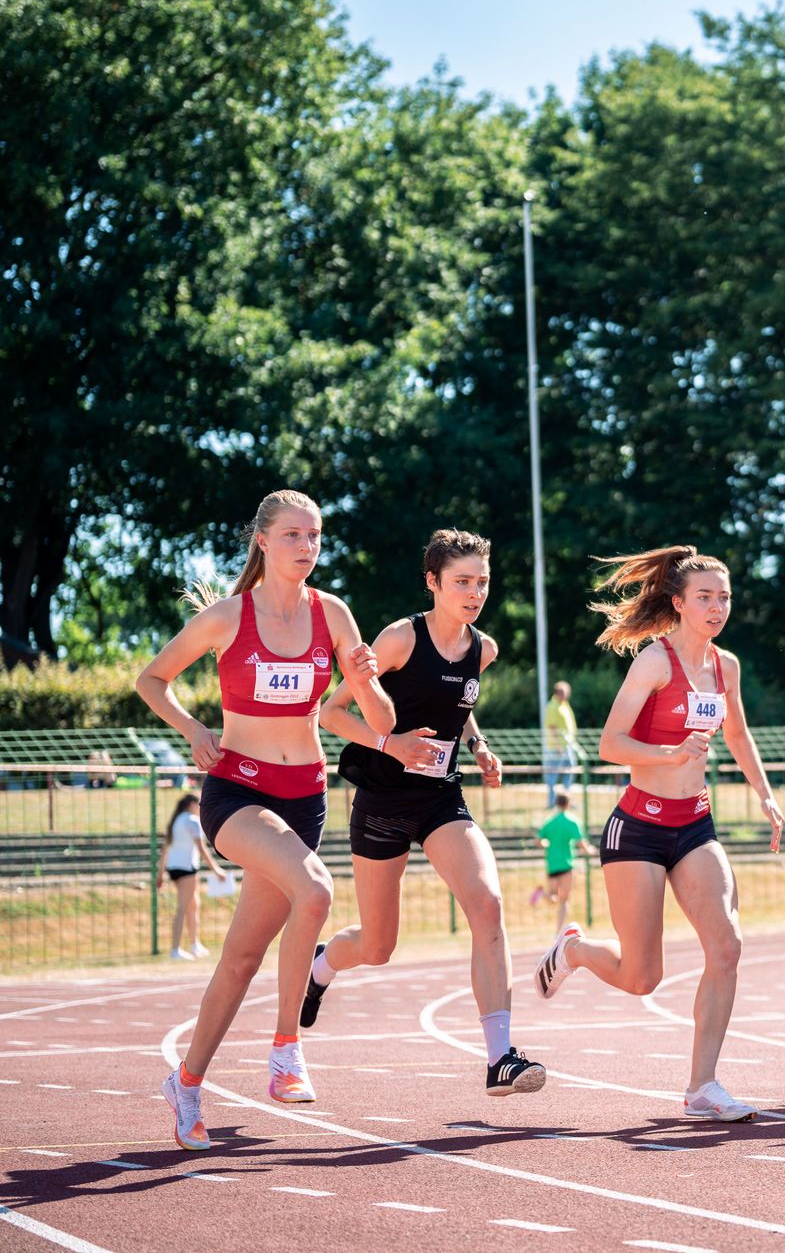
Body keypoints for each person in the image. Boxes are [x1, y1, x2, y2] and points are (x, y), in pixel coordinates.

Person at [136, 489, 388, 1151]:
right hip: (237, 792)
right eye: (294, 535)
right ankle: (286, 1050)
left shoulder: (333, 614)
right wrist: (192, 728)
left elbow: (380, 722)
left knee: (243, 956)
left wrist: (364, 678)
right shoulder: (226, 618)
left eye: (316, 536)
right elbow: (151, 679)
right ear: (263, 541)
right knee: (318, 890)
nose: (307, 546)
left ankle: (186, 1081)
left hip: (304, 796)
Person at [533, 546, 783, 1122]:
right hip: (638, 830)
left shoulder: (727, 667)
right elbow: (610, 743)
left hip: (695, 825)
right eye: (704, 597)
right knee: (642, 977)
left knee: (727, 947)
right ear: (678, 603)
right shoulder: (655, 661)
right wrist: (668, 752)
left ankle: (703, 1086)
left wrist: (765, 795)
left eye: (724, 597)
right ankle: (573, 949)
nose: (717, 607)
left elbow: (739, 736)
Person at [302, 530, 545, 1095]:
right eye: (462, 581)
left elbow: (458, 706)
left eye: (482, 581)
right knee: (379, 946)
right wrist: (391, 745)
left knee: (487, 904)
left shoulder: (483, 648)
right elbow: (331, 713)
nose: (475, 592)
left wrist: (479, 745)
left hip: (441, 798)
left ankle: (499, 1057)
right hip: (383, 799)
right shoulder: (398, 639)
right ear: (433, 582)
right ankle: (320, 968)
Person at [155, 793, 226, 960]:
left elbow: (165, 849)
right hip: (186, 868)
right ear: (192, 804)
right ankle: (175, 949)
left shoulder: (176, 821)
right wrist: (217, 870)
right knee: (182, 908)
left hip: (174, 868)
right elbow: (202, 850)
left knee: (193, 905)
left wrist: (161, 873)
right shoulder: (192, 821)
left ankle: (195, 944)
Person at [533, 791, 590, 934]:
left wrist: (548, 845)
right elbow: (581, 842)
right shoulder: (572, 821)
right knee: (564, 900)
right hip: (567, 863)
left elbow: (538, 841)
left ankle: (542, 893)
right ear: (568, 803)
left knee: (553, 898)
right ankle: (558, 932)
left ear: (556, 803)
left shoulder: (549, 821)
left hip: (552, 862)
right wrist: (589, 850)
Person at [544, 681, 580, 808]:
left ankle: (567, 801)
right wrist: (558, 745)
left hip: (568, 746)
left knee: (570, 772)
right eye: (564, 693)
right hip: (556, 747)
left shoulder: (564, 705)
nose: (566, 695)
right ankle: (552, 802)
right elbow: (552, 727)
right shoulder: (552, 706)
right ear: (557, 693)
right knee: (552, 775)